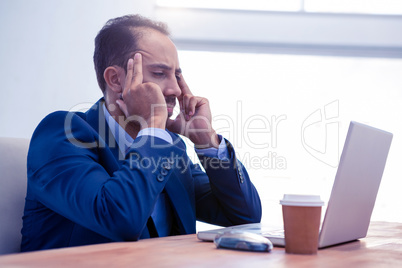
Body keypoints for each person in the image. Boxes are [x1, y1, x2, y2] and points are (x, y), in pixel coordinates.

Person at [21, 14, 261, 252]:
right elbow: (120, 219)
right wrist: (154, 127)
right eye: (159, 73)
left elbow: (244, 216)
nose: (176, 89)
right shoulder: (63, 133)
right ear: (116, 80)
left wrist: (206, 141)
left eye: (177, 75)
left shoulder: (170, 147)